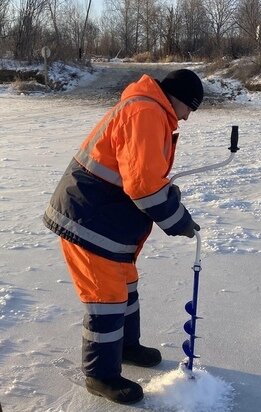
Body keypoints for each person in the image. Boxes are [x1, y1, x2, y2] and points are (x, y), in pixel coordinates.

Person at [43, 69, 204, 404]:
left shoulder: (150, 110)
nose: (187, 118)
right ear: (179, 99)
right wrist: (178, 220)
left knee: (125, 284)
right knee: (107, 298)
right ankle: (100, 375)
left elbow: (142, 175)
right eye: (191, 108)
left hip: (106, 219)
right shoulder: (146, 112)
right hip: (87, 219)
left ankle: (126, 346)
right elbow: (143, 185)